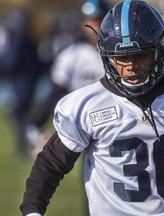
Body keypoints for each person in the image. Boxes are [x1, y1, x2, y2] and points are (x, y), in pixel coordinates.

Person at [20, 1, 164, 215]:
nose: (130, 66)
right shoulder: (85, 105)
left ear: (159, 50)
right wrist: (32, 211)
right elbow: (50, 165)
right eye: (121, 58)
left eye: (140, 56)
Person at [25, 0, 111, 158]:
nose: (94, 25)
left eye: (99, 20)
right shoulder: (71, 55)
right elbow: (55, 93)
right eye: (90, 20)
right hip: (83, 122)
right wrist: (36, 124)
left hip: (113, 119)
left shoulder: (119, 55)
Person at [0, 9, 45, 159]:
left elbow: (12, 61)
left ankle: (34, 139)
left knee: (18, 113)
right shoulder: (28, 38)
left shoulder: (20, 39)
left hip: (23, 82)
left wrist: (1, 72)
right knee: (20, 114)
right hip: (27, 81)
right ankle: (24, 145)